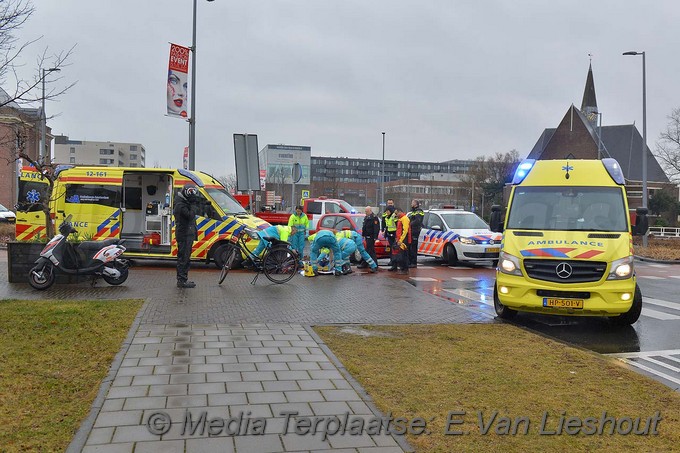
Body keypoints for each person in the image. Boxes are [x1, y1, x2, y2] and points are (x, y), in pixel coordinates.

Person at [174, 184, 199, 288]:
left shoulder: (183, 203)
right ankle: (181, 280)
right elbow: (190, 216)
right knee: (183, 258)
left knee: (186, 257)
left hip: (186, 234)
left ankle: (183, 279)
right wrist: (193, 204)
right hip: (184, 234)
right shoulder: (180, 205)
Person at [393, 207, 411, 275]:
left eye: (396, 213)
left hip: (404, 240)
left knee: (403, 255)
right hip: (401, 239)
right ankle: (403, 268)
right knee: (401, 254)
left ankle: (405, 269)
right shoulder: (401, 219)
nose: (396, 215)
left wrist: (401, 240)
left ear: (400, 212)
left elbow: (405, 230)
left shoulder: (404, 219)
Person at [407, 199, 424, 268]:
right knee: (410, 247)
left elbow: (418, 220)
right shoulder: (412, 211)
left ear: (416, 204)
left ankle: (413, 262)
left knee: (413, 247)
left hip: (415, 231)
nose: (411, 204)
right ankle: (410, 262)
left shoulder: (419, 211)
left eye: (412, 203)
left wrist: (410, 224)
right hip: (411, 231)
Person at [382, 204, 397, 270]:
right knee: (391, 249)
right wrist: (385, 233)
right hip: (389, 234)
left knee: (394, 250)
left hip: (394, 235)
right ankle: (392, 262)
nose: (386, 212)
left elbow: (397, 226)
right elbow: (387, 226)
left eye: (388, 211)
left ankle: (395, 264)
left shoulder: (394, 216)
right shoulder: (387, 217)